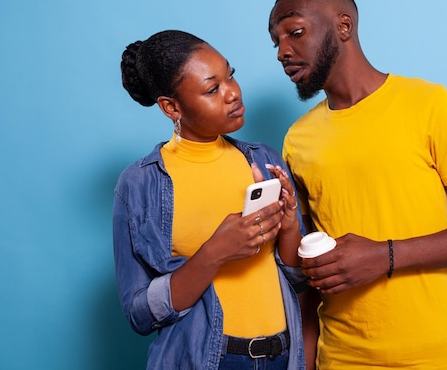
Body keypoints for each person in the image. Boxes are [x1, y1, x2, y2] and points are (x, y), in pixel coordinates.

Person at [267, 0, 447, 370]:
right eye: (275, 42)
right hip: (339, 357)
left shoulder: (431, 106)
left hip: (430, 355)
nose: (282, 52)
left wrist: (385, 256)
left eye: (294, 32)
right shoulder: (298, 139)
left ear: (344, 26)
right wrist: (306, 361)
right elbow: (312, 270)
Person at [113, 30, 307, 369]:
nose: (232, 92)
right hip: (209, 359)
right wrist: (214, 253)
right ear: (171, 106)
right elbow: (139, 314)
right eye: (212, 88)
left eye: (230, 75)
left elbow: (297, 278)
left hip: (282, 356)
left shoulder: (263, 161)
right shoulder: (140, 183)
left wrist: (290, 226)